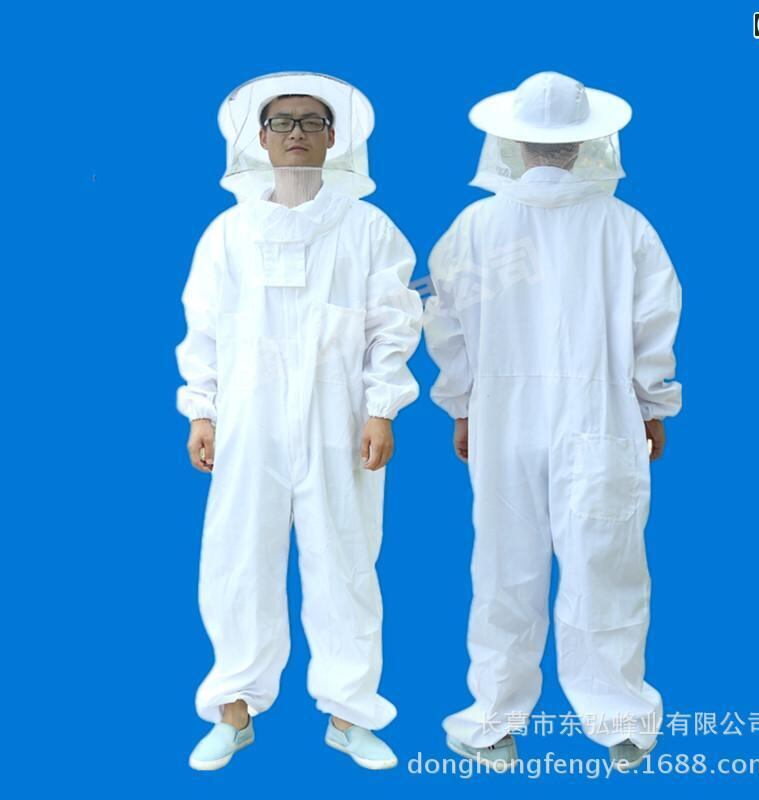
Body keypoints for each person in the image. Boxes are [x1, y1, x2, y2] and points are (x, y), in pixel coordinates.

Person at [423, 71, 682, 772]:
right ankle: (622, 723)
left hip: (502, 416)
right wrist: (652, 403)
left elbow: (444, 323)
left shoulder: (475, 227)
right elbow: (654, 325)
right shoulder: (625, 227)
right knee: (606, 564)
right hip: (601, 412)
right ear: (587, 143)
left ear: (511, 142)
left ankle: (492, 722)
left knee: (504, 567)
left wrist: (462, 405)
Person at [175, 71, 423, 771]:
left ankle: (350, 716)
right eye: (281, 122)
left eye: (311, 122)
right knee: (237, 560)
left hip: (339, 420)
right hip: (247, 420)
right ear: (258, 138)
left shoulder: (368, 229)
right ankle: (233, 710)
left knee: (345, 562)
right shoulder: (228, 233)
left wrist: (382, 407)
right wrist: (202, 409)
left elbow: (394, 324)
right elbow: (204, 329)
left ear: (333, 137)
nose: (295, 134)